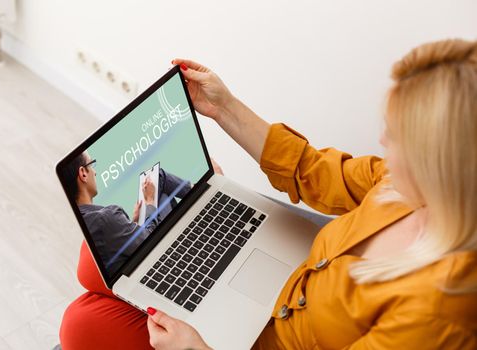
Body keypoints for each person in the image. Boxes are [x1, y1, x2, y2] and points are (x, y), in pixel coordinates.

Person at [60, 39, 477, 349]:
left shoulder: (438, 313)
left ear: (444, 165)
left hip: (268, 337)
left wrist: (198, 349)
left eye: (399, 136)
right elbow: (314, 169)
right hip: (290, 272)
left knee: (83, 321)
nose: (382, 140)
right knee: (93, 263)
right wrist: (223, 107)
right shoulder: (403, 188)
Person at [59, 151, 193, 274]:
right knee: (158, 177)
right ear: (83, 173)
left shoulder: (85, 219)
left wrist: (133, 221)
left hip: (131, 264)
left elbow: (113, 241)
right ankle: (200, 189)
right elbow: (149, 239)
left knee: (163, 194)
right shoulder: (106, 217)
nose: (95, 172)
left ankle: (197, 191)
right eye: (92, 165)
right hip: (151, 263)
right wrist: (150, 202)